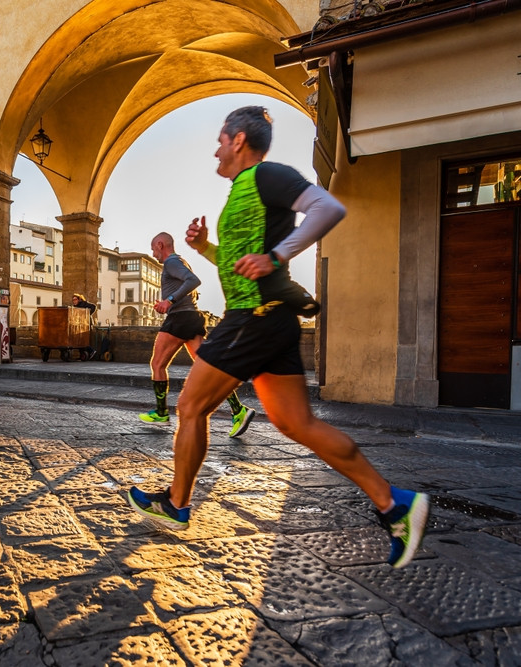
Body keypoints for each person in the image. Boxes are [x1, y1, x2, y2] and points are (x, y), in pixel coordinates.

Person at [126, 106, 429, 569]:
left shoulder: (267, 175)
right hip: (274, 320)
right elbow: (238, 262)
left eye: (221, 139)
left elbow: (328, 208)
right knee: (295, 425)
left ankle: (177, 504)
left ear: (240, 140)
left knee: (190, 406)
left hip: (253, 316)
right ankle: (394, 504)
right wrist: (205, 247)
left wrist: (278, 255)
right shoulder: (243, 190)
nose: (216, 148)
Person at [138, 232, 256, 438]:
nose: (153, 253)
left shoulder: (171, 262)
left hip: (180, 319)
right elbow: (189, 283)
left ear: (160, 245)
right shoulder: (181, 261)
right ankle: (239, 410)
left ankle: (161, 412)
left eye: (153, 248)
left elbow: (193, 281)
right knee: (209, 368)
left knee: (157, 364)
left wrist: (169, 301)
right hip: (191, 318)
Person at [71, 293, 97, 360]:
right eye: (73, 300)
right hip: (79, 324)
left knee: (83, 339)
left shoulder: (84, 304)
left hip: (86, 324)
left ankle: (91, 351)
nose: (74, 301)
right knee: (79, 339)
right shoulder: (75, 306)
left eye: (75, 299)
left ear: (79, 299)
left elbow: (94, 306)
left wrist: (87, 314)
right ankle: (82, 355)